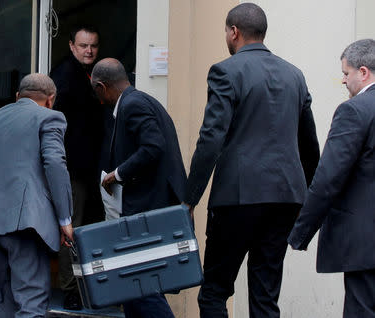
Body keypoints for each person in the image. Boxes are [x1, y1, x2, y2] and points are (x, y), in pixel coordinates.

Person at [183, 3, 320, 318]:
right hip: (286, 198)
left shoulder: (225, 71)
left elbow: (210, 139)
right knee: (265, 294)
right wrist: (312, 194)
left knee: (215, 291)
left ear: (234, 32)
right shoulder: (294, 75)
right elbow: (309, 142)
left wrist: (189, 199)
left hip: (238, 197)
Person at [0, 73, 73, 317]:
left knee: (0, 302)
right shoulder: (51, 117)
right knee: (31, 302)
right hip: (26, 223)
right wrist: (65, 219)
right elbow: (55, 164)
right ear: (51, 99)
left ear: (17, 97)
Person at [91, 58, 187, 318]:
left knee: (140, 284)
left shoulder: (132, 105)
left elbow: (153, 146)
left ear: (102, 87)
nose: (100, 100)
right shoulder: (141, 100)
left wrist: (116, 175)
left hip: (149, 206)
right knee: (134, 285)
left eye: (97, 93)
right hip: (154, 203)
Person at [288, 39, 375, 318]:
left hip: (365, 243)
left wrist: (300, 233)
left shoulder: (354, 111)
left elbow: (328, 178)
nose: (343, 81)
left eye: (346, 73)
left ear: (363, 72)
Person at [50, 25, 106, 310]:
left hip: (89, 170)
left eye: (93, 46)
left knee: (85, 227)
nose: (89, 50)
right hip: (73, 170)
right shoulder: (64, 77)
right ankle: (71, 290)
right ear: (72, 46)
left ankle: (86, 286)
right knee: (71, 229)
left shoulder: (91, 75)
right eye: (83, 45)